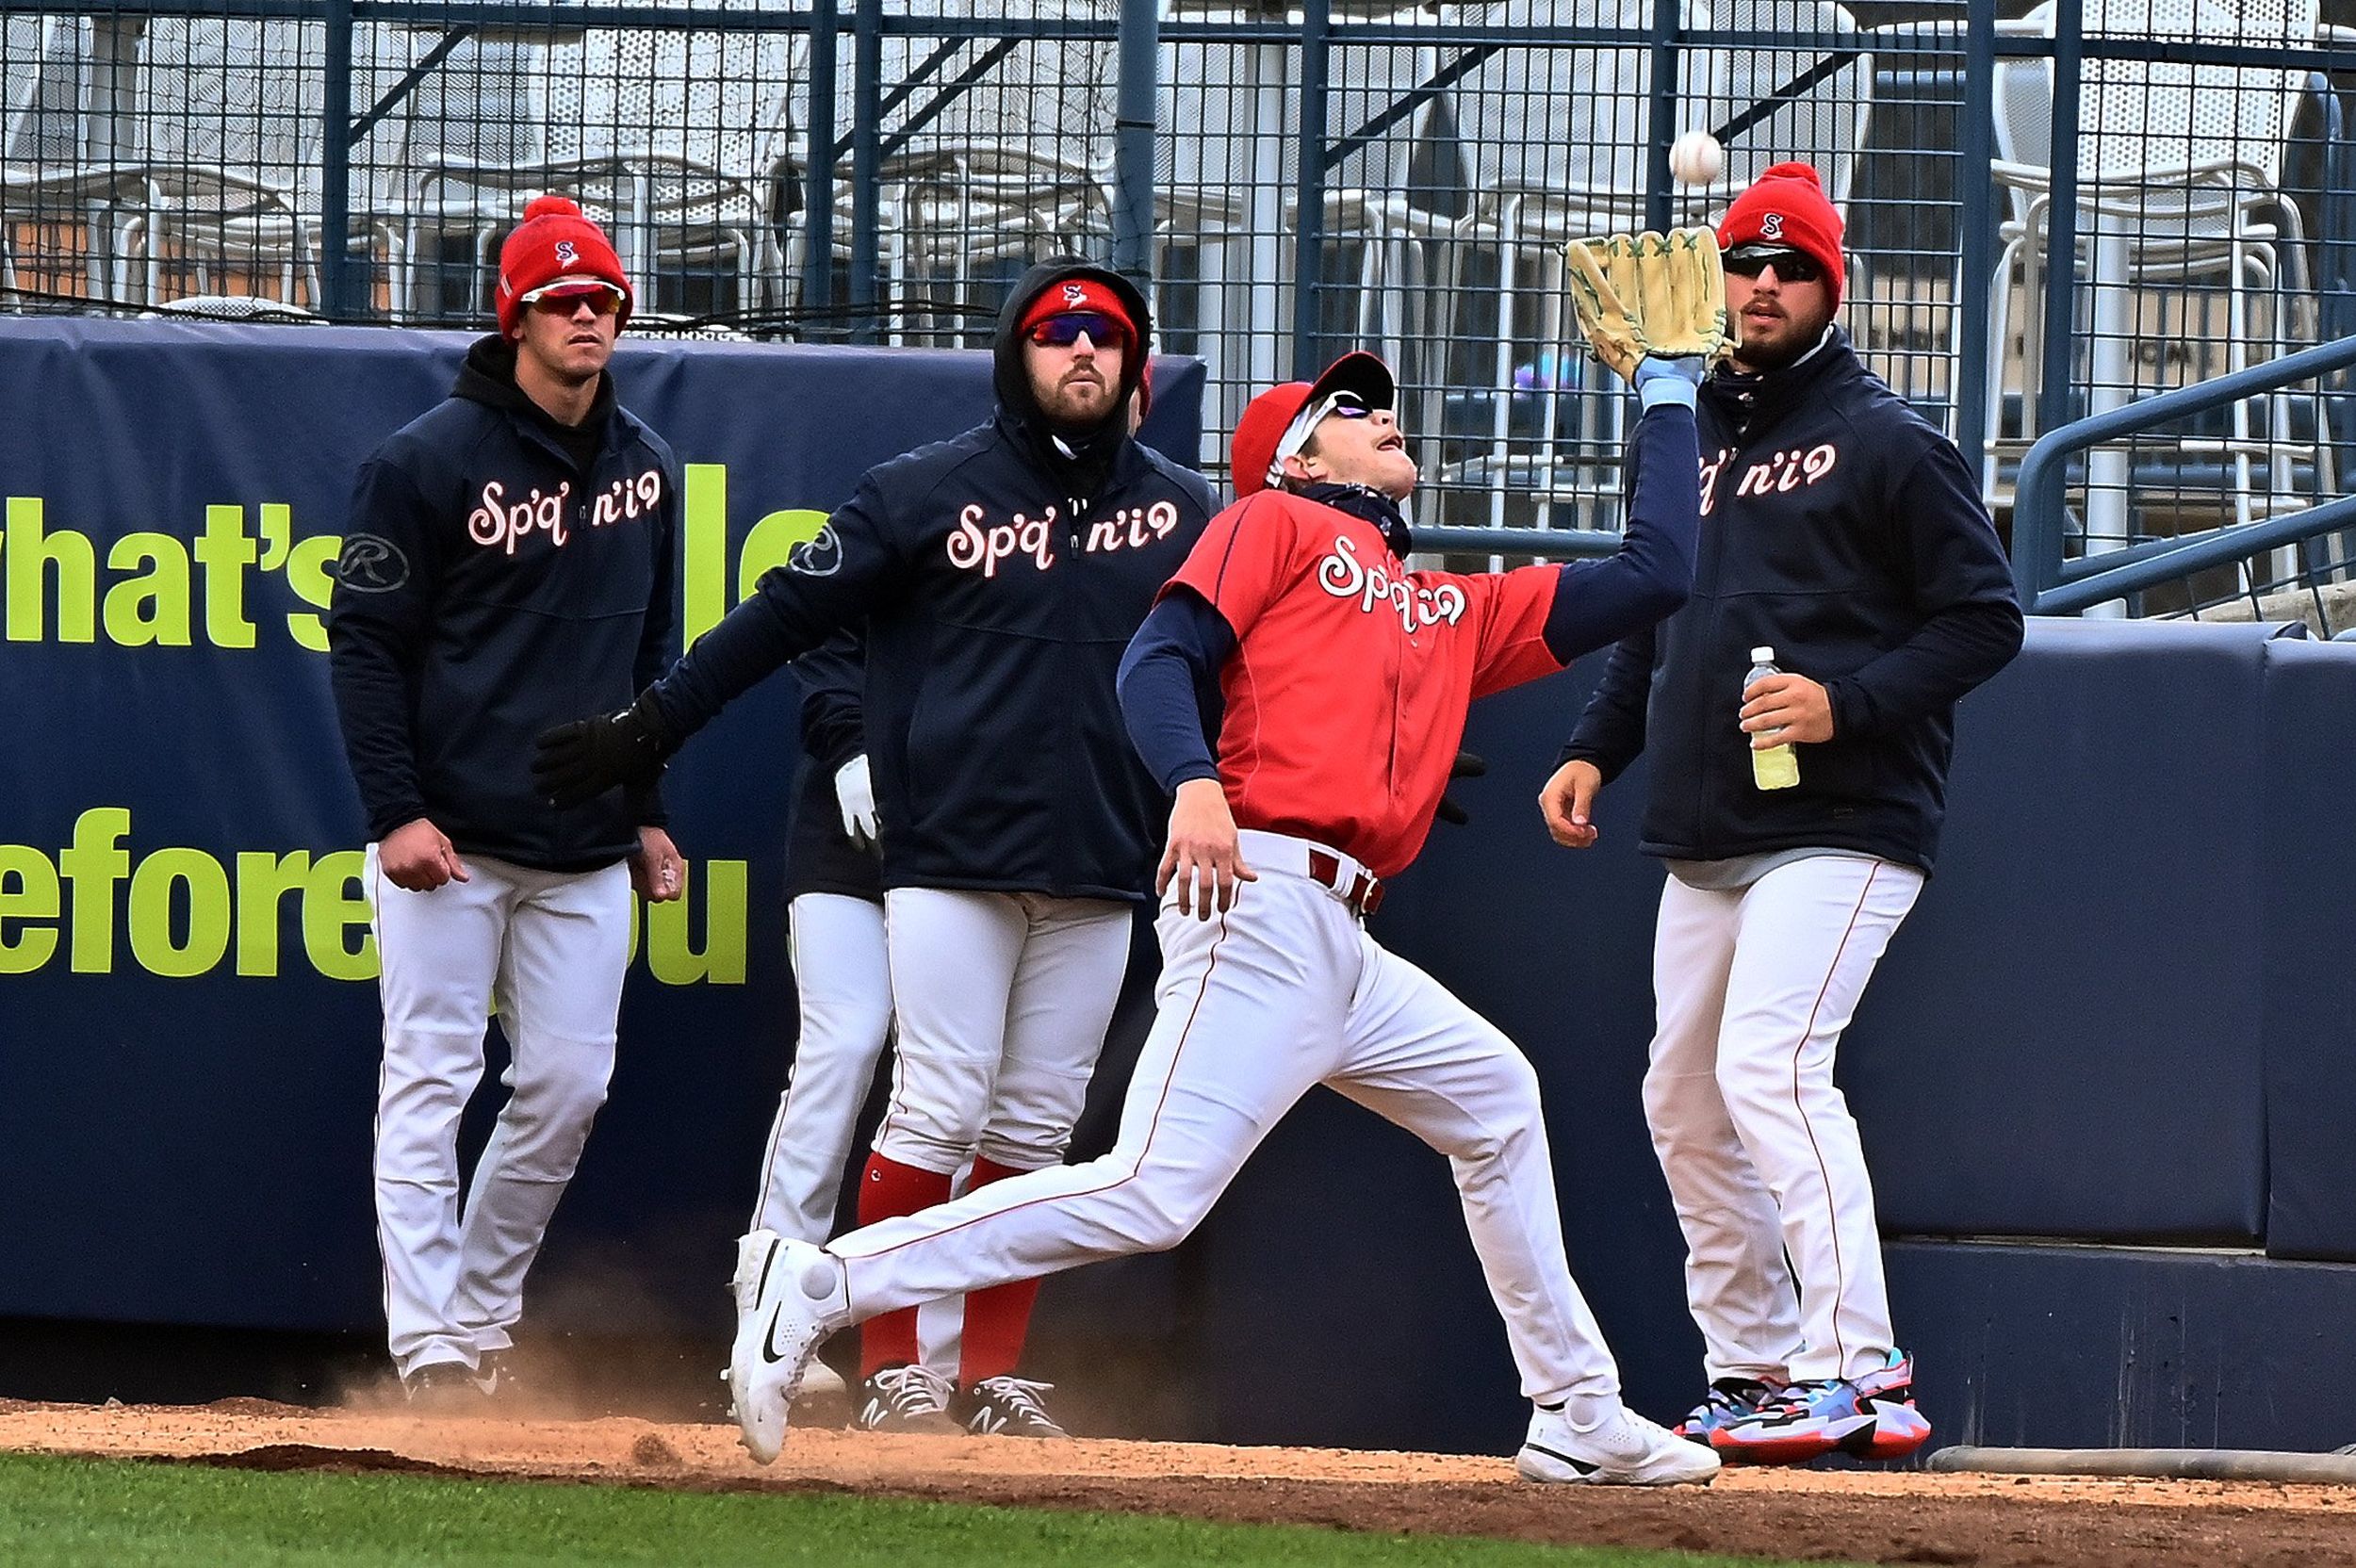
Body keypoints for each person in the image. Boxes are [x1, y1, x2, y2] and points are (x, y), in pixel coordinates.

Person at [724, 337, 1717, 1485]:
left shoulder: (1447, 602)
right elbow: (1159, 656)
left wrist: (1667, 396)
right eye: (1348, 407)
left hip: (1345, 939)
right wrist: (1195, 783)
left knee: (1496, 1100)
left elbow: (1655, 573)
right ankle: (821, 1281)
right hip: (1257, 899)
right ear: (1294, 456)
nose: (1383, 414)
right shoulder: (1271, 522)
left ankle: (1578, 1409)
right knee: (1152, 1188)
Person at [532, 259, 1219, 1438]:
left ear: (1135, 362)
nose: (1081, 354)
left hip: (1102, 864)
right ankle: (899, 1366)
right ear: (1017, 357)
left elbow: (1254, 655)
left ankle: (993, 1373)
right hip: (949, 855)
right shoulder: (925, 489)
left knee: (1037, 1138)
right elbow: (775, 622)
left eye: (1104, 336)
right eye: (1055, 336)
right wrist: (649, 725)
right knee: (937, 1107)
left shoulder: (1188, 509)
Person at [1544, 164, 2025, 1464]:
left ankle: (1858, 1367)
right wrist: (1598, 744)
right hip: (1706, 829)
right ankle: (1754, 1369)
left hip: (1849, 817)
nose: (1763, 283)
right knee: (1683, 1099)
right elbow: (1658, 612)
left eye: (1790, 265)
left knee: (1769, 1066)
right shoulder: (1690, 432)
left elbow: (1988, 618)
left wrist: (1846, 704)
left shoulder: (1889, 437)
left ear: (1830, 286)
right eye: (1745, 264)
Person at [327, 194, 686, 1404]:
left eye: (604, 300)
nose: (588, 316)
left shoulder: (649, 465)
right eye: (562, 301)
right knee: (430, 1078)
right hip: (453, 839)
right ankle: (431, 1344)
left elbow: (652, 655)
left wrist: (646, 806)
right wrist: (393, 811)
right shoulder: (421, 462)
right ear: (515, 317)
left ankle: (480, 1317)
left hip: (585, 844)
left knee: (569, 1085)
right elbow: (366, 650)